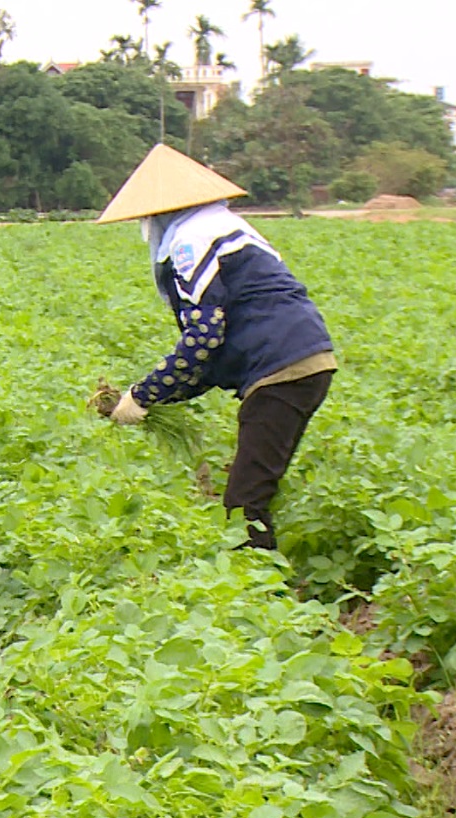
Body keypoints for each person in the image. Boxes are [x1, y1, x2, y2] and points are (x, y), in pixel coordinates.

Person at [99, 144, 336, 550]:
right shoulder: (225, 227)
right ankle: (259, 586)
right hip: (300, 359)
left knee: (244, 504)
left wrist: (143, 393)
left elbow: (204, 336)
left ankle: (261, 597)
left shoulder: (191, 241)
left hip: (282, 367)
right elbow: (208, 358)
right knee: (249, 491)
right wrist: (154, 398)